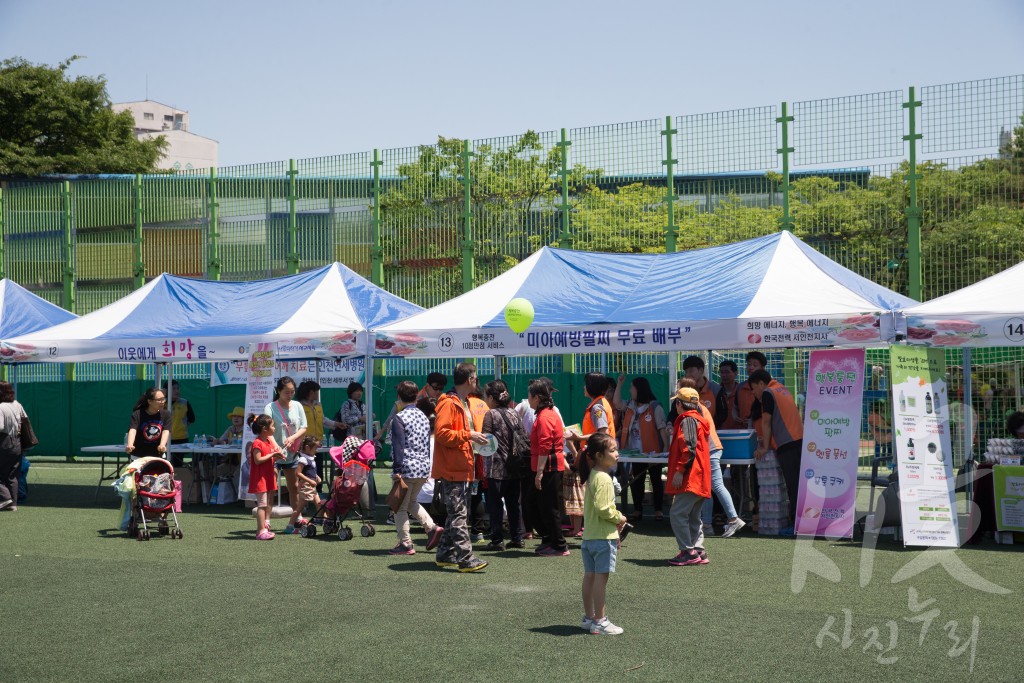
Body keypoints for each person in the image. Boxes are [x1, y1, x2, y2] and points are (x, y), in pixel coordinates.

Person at [432, 363, 489, 572]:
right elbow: (442, 434)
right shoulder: (450, 403)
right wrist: (469, 435)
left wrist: (472, 438)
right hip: (453, 468)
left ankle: (445, 553)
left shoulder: (462, 402)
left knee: (456, 513)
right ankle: (465, 558)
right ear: (470, 379)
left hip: (462, 466)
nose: (477, 381)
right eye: (475, 378)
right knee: (458, 515)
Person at [389, 381, 444, 555]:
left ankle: (405, 543)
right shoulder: (423, 416)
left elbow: (398, 447)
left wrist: (397, 471)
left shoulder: (399, 418)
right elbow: (427, 445)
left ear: (399, 397)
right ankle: (432, 528)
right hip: (422, 468)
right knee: (411, 502)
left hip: (406, 468)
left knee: (400, 507)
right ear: (416, 396)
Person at [580, 432, 627, 635]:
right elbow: (604, 509)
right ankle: (600, 620)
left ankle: (589, 617)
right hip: (603, 538)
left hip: (589, 537)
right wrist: (620, 518)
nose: (617, 453)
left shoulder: (592, 475)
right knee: (600, 578)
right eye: (612, 450)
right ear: (599, 455)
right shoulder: (604, 478)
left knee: (590, 576)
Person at [750, 369, 804, 535]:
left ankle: (797, 525)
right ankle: (799, 522)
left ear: (760, 383)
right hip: (799, 440)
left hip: (787, 443)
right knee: (798, 485)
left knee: (793, 486)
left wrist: (765, 447)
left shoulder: (768, 392)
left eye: (753, 388)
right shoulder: (782, 388)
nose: (754, 393)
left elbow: (766, 422)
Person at [565, 373, 615, 537]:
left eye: (586, 384)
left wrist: (578, 438)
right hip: (600, 455)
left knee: (596, 495)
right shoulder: (600, 403)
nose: (583, 387)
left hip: (597, 457)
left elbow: (603, 433)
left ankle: (606, 528)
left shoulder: (597, 407)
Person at [666, 387, 712, 566]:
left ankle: (687, 551)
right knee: (694, 515)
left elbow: (688, 448)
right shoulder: (698, 419)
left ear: (679, 404)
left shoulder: (687, 420)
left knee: (677, 513)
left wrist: (679, 470)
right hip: (700, 476)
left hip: (691, 476)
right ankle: (698, 550)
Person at [613, 375, 669, 522]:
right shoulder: (630, 405)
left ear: (639, 389)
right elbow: (617, 402)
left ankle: (658, 510)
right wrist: (620, 384)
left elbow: (662, 428)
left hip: (653, 452)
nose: (630, 390)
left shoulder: (655, 406)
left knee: (656, 480)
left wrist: (666, 450)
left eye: (632, 387)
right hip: (635, 453)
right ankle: (638, 509)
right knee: (637, 480)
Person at [481, 379, 526, 551]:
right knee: (514, 503)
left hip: (496, 467)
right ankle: (517, 537)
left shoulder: (491, 415)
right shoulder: (514, 413)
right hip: (514, 466)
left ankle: (497, 539)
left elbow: (485, 440)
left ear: (492, 398)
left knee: (495, 504)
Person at [528, 378, 570, 557]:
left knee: (549, 506)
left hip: (549, 467)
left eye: (529, 396)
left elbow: (545, 446)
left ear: (536, 397)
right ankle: (549, 539)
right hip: (549, 466)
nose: (527, 399)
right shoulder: (548, 413)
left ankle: (559, 545)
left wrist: (539, 472)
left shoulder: (545, 416)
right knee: (538, 505)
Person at [264, 376, 307, 526]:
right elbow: (267, 432)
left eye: (292, 392)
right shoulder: (270, 407)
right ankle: (266, 521)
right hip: (274, 454)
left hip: (292, 454)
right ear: (278, 391)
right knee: (271, 487)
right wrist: (276, 447)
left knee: (294, 486)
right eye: (286, 392)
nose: (290, 395)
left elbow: (304, 427)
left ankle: (298, 517)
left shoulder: (297, 405)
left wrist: (292, 438)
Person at [248, 413, 285, 540]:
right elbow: (258, 460)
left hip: (267, 477)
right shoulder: (257, 443)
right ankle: (260, 531)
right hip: (260, 479)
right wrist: (272, 455)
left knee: (265, 503)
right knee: (262, 505)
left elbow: (270, 455)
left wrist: (277, 455)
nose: (274, 428)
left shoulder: (268, 441)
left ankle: (264, 528)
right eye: (273, 426)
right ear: (265, 429)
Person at [0, 382, 30, 512]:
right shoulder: (18, 404)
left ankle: (5, 498)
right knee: (12, 475)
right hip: (18, 443)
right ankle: (13, 503)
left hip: (4, 442)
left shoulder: (1, 407)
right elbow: (25, 421)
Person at [286, 436, 322, 532]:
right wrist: (310, 481)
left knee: (319, 504)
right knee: (299, 508)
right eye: (315, 448)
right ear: (307, 447)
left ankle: (324, 521)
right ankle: (290, 526)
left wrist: (316, 477)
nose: (316, 450)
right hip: (306, 486)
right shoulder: (303, 459)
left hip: (312, 486)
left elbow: (311, 471)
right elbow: (298, 473)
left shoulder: (311, 457)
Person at [126, 387, 171, 460]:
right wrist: (130, 445)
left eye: (163, 399)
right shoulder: (137, 414)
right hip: (138, 456)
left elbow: (166, 431)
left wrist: (162, 445)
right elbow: (133, 430)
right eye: (159, 400)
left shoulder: (166, 414)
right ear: (149, 401)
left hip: (158, 456)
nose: (162, 402)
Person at [297, 380, 339, 445]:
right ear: (311, 392)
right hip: (305, 444)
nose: (318, 393)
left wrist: (337, 424)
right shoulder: (299, 406)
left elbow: (323, 420)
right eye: (317, 391)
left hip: (319, 442)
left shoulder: (318, 405)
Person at [167, 379, 196, 465]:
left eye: (178, 388)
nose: (177, 391)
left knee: (178, 464)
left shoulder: (184, 402)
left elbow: (191, 419)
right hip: (165, 439)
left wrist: (181, 427)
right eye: (173, 389)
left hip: (181, 439)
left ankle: (178, 478)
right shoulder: (161, 403)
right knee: (164, 464)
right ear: (166, 390)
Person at [714, 360, 745, 430]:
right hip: (720, 433)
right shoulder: (716, 392)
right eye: (722, 372)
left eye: (727, 372)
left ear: (736, 373)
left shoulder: (742, 392)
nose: (724, 375)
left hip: (740, 433)